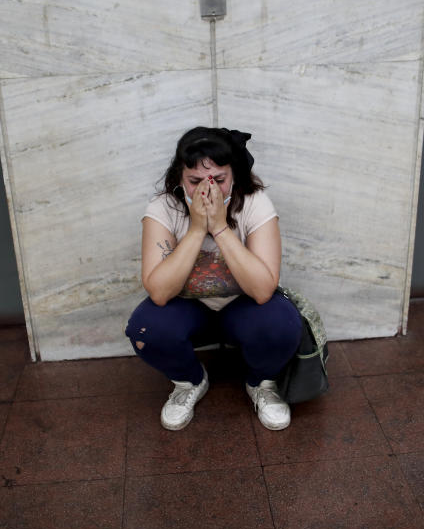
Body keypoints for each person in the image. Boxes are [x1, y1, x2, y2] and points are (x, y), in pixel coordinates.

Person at [125, 126, 303, 431]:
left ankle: (261, 382)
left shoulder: (254, 202)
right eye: (195, 181)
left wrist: (220, 228)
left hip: (242, 305)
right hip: (188, 308)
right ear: (179, 177)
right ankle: (189, 381)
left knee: (282, 324)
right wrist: (196, 229)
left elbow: (262, 290)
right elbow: (159, 292)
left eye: (219, 180)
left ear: (233, 175)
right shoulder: (162, 208)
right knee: (145, 330)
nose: (208, 190)